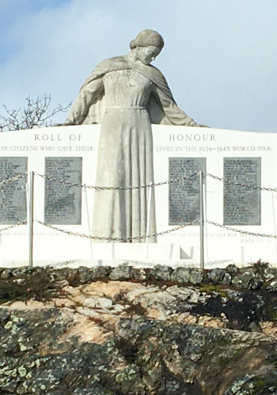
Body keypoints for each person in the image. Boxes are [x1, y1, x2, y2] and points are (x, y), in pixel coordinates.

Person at [63, 29, 201, 242]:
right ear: (139, 46)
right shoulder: (109, 66)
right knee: (111, 175)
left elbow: (168, 106)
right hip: (112, 124)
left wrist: (192, 125)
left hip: (139, 125)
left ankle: (138, 235)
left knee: (139, 177)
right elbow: (87, 95)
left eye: (156, 54)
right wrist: (70, 122)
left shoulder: (152, 75)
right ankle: (108, 233)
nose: (152, 57)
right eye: (151, 52)